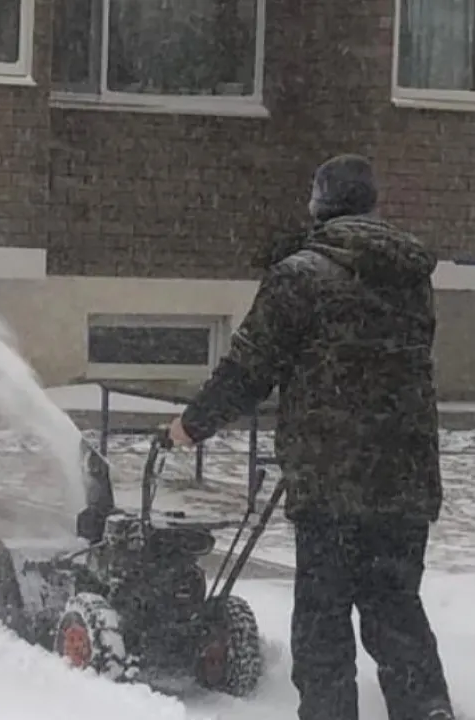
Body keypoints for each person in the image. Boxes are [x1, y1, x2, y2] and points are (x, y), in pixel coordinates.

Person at [167, 154, 454, 720]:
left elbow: (250, 369)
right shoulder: (411, 280)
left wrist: (189, 426)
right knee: (396, 610)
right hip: (406, 478)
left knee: (323, 623)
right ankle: (428, 710)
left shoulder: (300, 276)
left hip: (333, 482)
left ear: (321, 204)